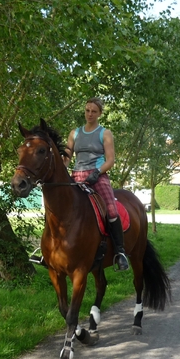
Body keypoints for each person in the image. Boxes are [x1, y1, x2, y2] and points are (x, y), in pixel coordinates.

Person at [63, 97, 129, 271]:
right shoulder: (74, 133)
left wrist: (97, 173)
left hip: (97, 176)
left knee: (111, 210)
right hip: (76, 176)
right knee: (60, 207)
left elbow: (110, 160)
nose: (90, 114)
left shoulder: (104, 133)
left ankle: (120, 253)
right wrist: (60, 169)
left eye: (94, 111)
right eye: (87, 110)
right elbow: (67, 158)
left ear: (99, 114)